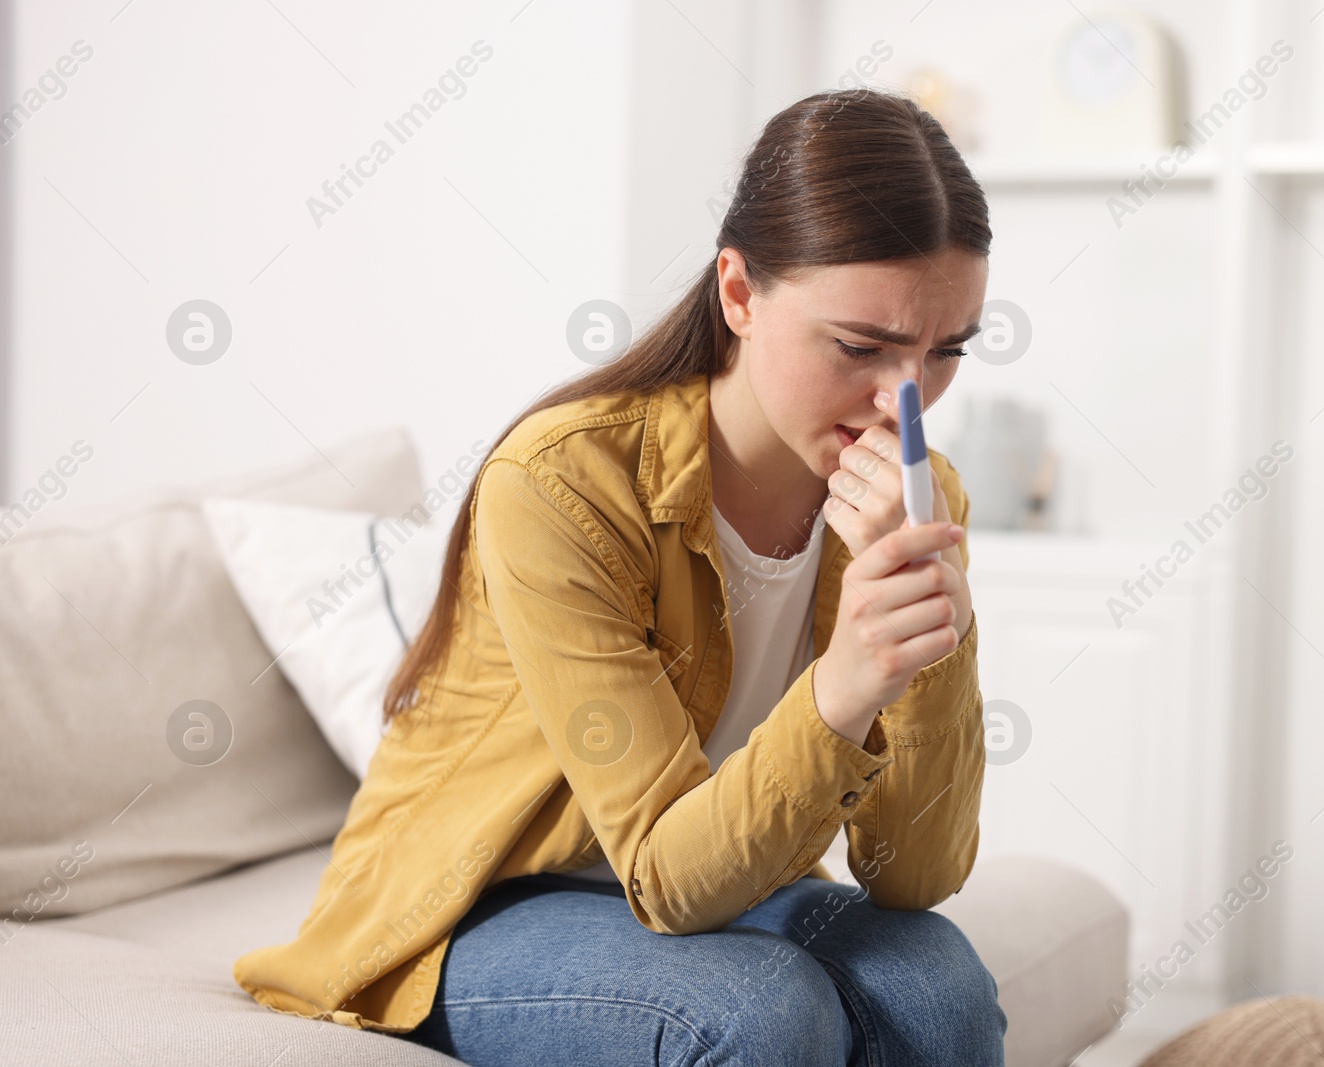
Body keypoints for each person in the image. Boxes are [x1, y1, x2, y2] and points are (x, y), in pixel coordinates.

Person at [233, 86, 1004, 1067]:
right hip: (485, 898)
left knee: (939, 984)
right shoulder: (562, 480)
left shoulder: (919, 491)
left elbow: (914, 876)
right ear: (738, 293)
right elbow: (668, 878)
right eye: (859, 345)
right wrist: (848, 679)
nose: (906, 398)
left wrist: (935, 643)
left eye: (946, 351)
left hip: (739, 871)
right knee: (760, 1011)